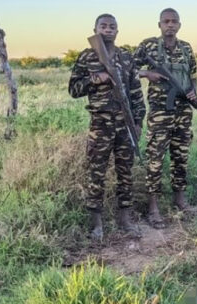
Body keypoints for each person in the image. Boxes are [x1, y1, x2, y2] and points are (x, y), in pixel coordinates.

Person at [69, 14, 146, 240]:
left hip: (125, 123)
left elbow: (135, 92)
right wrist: (96, 79)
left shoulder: (125, 57)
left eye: (112, 26)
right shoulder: (87, 57)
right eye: (103, 26)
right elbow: (73, 89)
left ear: (117, 31)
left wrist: (139, 122)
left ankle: (125, 219)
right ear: (95, 29)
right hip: (100, 124)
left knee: (125, 172)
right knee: (96, 172)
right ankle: (96, 224)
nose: (108, 29)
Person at [133, 8, 197, 229]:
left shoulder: (186, 48)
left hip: (183, 112)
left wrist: (193, 93)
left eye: (174, 22)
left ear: (179, 25)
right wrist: (146, 74)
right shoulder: (148, 45)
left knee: (181, 155)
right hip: (160, 112)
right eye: (166, 21)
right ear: (159, 24)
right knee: (155, 158)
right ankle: (153, 208)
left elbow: (193, 75)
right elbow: (128, 68)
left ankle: (180, 200)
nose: (170, 25)